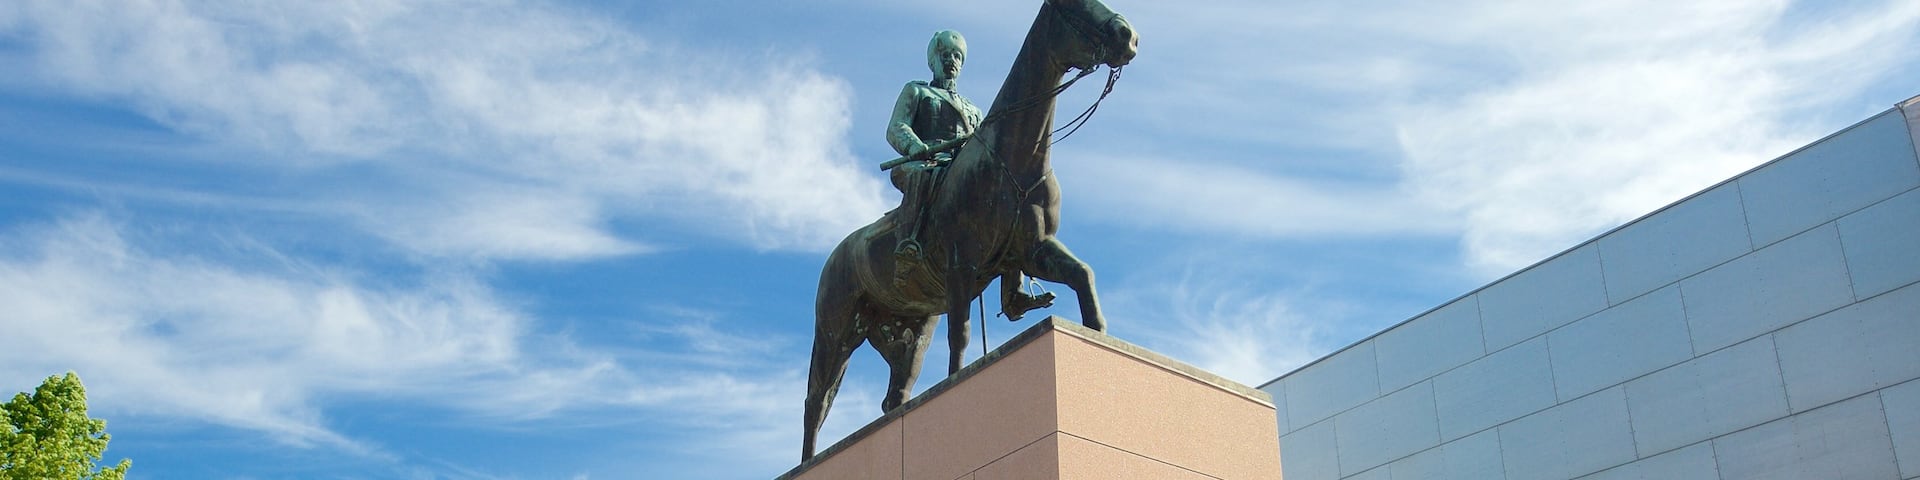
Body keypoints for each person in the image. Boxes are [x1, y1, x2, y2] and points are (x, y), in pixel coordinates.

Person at [885, 30, 1053, 319]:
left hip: (961, 171)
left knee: (1007, 204)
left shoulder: (973, 110)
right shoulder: (918, 91)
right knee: (923, 176)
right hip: (925, 163)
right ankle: (908, 246)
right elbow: (896, 128)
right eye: (946, 55)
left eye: (957, 56)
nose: (951, 61)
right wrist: (917, 146)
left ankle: (1014, 292)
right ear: (934, 61)